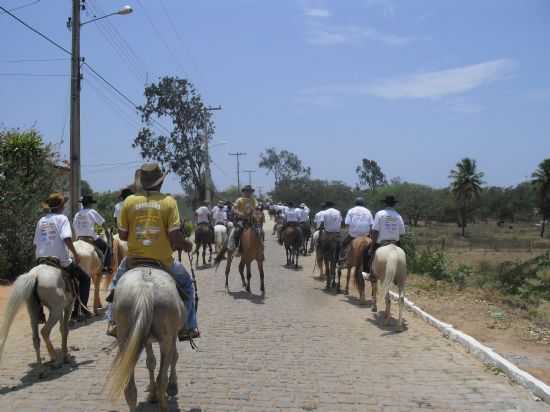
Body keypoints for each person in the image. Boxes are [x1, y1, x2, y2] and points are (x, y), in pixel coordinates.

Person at [106, 163, 198, 341]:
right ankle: (188, 326)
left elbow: (123, 235)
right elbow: (174, 236)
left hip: (133, 260)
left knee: (115, 287)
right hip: (163, 261)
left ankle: (113, 322)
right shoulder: (169, 202)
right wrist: (186, 244)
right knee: (187, 286)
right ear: (160, 183)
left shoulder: (129, 201)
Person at [34, 193, 92, 321]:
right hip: (60, 260)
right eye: (64, 204)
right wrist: (75, 254)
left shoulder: (41, 221)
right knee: (85, 278)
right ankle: (81, 310)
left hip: (41, 259)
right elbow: (66, 238)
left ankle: (38, 312)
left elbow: (36, 243)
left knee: (33, 281)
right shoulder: (62, 218)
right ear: (61, 206)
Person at [73, 194, 111, 272]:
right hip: (91, 239)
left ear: (82, 204)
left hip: (79, 239)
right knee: (107, 248)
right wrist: (107, 234)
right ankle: (106, 268)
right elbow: (103, 223)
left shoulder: (77, 214)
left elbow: (74, 226)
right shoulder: (92, 212)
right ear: (90, 204)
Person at [368, 195, 406, 274]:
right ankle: (401, 273)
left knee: (371, 256)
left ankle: (371, 274)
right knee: (403, 255)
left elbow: (375, 231)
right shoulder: (398, 216)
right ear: (394, 204)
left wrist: (371, 247)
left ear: (385, 204)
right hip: (395, 243)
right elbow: (402, 232)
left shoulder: (379, 214)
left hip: (381, 243)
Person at [340, 197, 374, 263]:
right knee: (373, 247)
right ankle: (371, 261)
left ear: (355, 203)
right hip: (365, 235)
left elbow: (347, 223)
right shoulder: (368, 211)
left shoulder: (351, 210)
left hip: (353, 235)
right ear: (363, 203)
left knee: (343, 244)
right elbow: (371, 225)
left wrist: (349, 231)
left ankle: (342, 259)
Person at [227, 185, 257, 254]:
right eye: (247, 191)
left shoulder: (254, 200)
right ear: (244, 192)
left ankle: (259, 246)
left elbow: (256, 208)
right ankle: (237, 247)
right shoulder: (239, 200)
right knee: (237, 231)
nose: (248, 193)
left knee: (259, 230)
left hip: (251, 220)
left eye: (250, 191)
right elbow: (233, 209)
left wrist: (254, 212)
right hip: (241, 220)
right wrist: (239, 213)